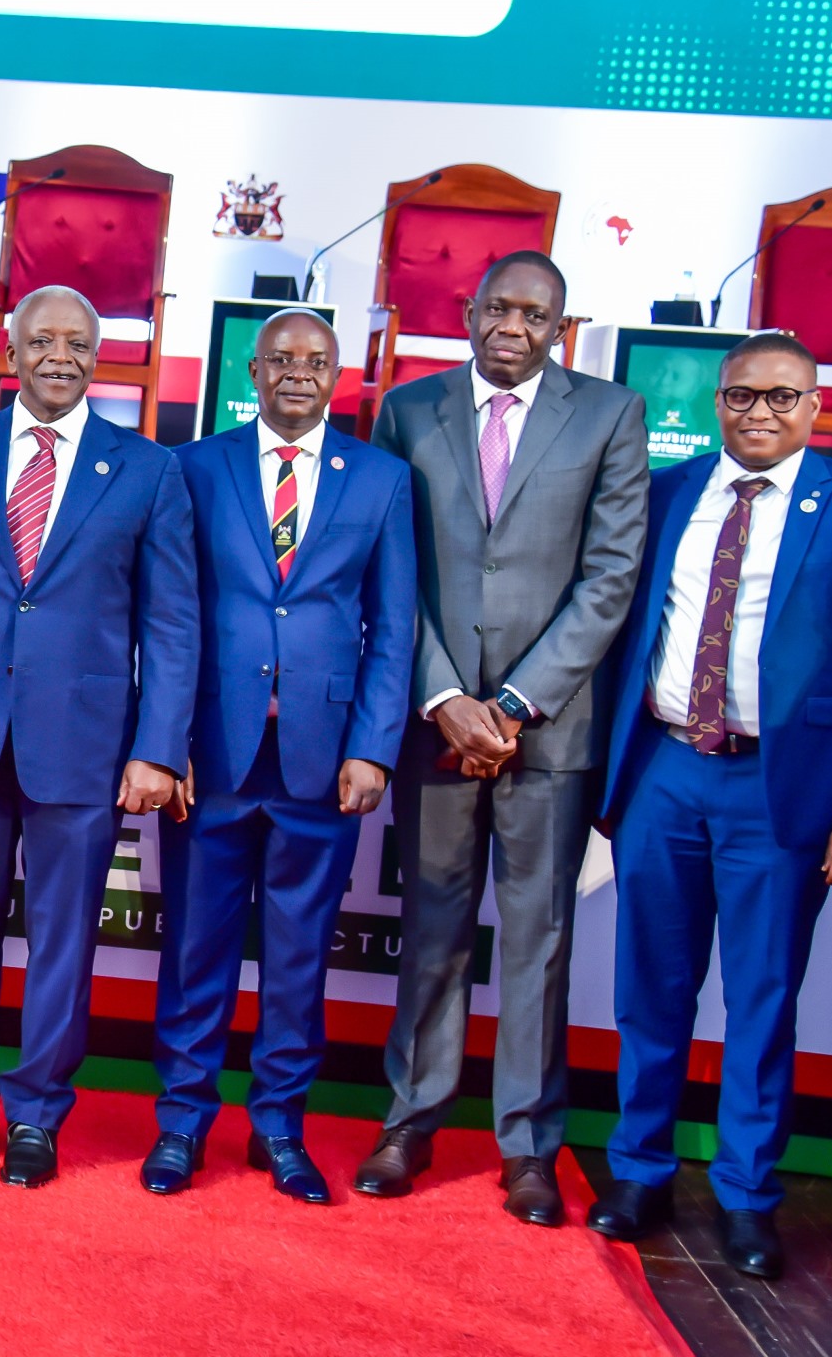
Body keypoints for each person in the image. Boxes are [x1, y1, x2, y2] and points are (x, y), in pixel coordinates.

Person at [587, 334, 832, 1279]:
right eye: (743, 397)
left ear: (816, 407)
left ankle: (746, 1195)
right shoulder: (666, 494)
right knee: (649, 993)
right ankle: (639, 1171)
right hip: (663, 772)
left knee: (762, 1001)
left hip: (784, 790)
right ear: (718, 403)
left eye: (783, 399)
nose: (761, 415)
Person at [0, 285, 197, 1188]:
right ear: (10, 353)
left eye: (80, 341)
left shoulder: (146, 469)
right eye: (43, 339)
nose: (61, 354)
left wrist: (158, 746)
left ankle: (38, 1116)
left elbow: (172, 625)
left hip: (86, 750)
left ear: (100, 358)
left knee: (64, 942)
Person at [358, 250, 648, 1226]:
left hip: (549, 734)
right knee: (432, 931)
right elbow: (391, 567)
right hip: (436, 727)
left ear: (560, 326)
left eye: (534, 313)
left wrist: (514, 705)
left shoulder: (610, 415)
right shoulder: (407, 410)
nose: (511, 325)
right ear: (470, 308)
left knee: (538, 939)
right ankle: (410, 1119)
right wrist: (445, 697)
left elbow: (610, 579)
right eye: (497, 307)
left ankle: (527, 1143)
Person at [147, 309, 416, 1202]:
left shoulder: (381, 480)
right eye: (281, 360)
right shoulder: (192, 467)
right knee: (195, 950)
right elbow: (171, 618)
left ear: (339, 375)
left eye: (317, 361)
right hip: (211, 757)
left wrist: (375, 746)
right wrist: (166, 739)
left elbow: (393, 627)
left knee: (299, 958)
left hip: (322, 757)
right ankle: (183, 1123)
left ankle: (279, 1129)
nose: (298, 373)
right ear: (252, 371)